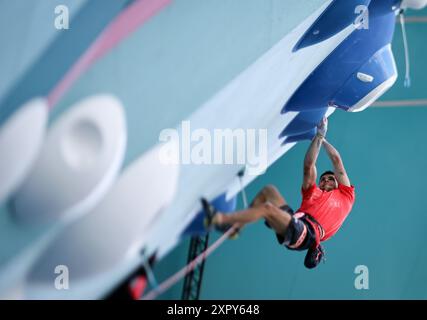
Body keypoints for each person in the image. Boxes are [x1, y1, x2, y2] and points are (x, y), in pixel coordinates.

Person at [202, 117, 355, 269]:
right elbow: (309, 166)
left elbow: (336, 160)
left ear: (338, 183)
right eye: (323, 179)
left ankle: (220, 219)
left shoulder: (346, 196)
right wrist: (318, 137)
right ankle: (237, 228)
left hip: (307, 235)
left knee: (268, 209)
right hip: (296, 221)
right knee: (269, 191)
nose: (326, 180)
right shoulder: (312, 193)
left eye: (331, 178)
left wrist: (322, 137)